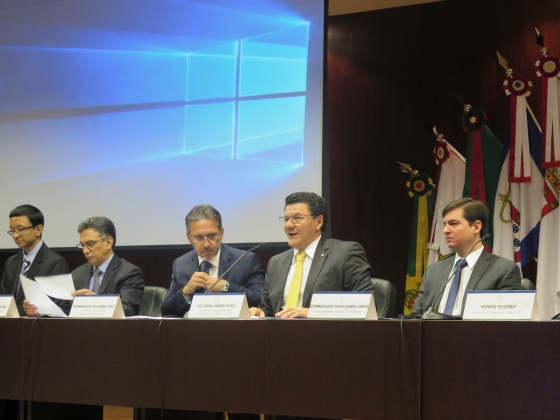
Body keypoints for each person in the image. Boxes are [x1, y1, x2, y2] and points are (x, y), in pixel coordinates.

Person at [250, 192, 374, 318]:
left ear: (319, 222)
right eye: (286, 219)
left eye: (297, 218)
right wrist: (260, 311)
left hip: (322, 329)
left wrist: (312, 313)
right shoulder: (276, 262)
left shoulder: (344, 253)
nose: (288, 225)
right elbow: (268, 308)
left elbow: (365, 306)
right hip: (279, 329)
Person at [412, 198, 521, 316]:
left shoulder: (503, 271)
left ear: (476, 227)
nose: (445, 230)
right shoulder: (433, 271)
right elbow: (416, 318)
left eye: (453, 223)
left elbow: (507, 321)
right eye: (444, 224)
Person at [24, 216, 145, 317]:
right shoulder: (77, 274)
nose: (85, 251)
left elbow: (128, 310)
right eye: (82, 245)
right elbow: (65, 311)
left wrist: (95, 302)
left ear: (108, 242)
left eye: (90, 244)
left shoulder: (128, 272)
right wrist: (40, 310)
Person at [161, 204, 265, 317]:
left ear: (221, 233)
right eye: (199, 237)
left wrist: (225, 287)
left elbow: (261, 300)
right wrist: (185, 292)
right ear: (189, 238)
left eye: (211, 236)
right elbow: (165, 311)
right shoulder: (181, 264)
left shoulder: (245, 260)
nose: (206, 244)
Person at [2, 204, 68, 316]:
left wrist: (38, 310)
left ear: (38, 230)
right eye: (12, 231)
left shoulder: (55, 262)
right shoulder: (11, 262)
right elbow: (4, 299)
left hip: (37, 325)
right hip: (10, 325)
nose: (15, 236)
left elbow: (61, 307)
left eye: (21, 229)